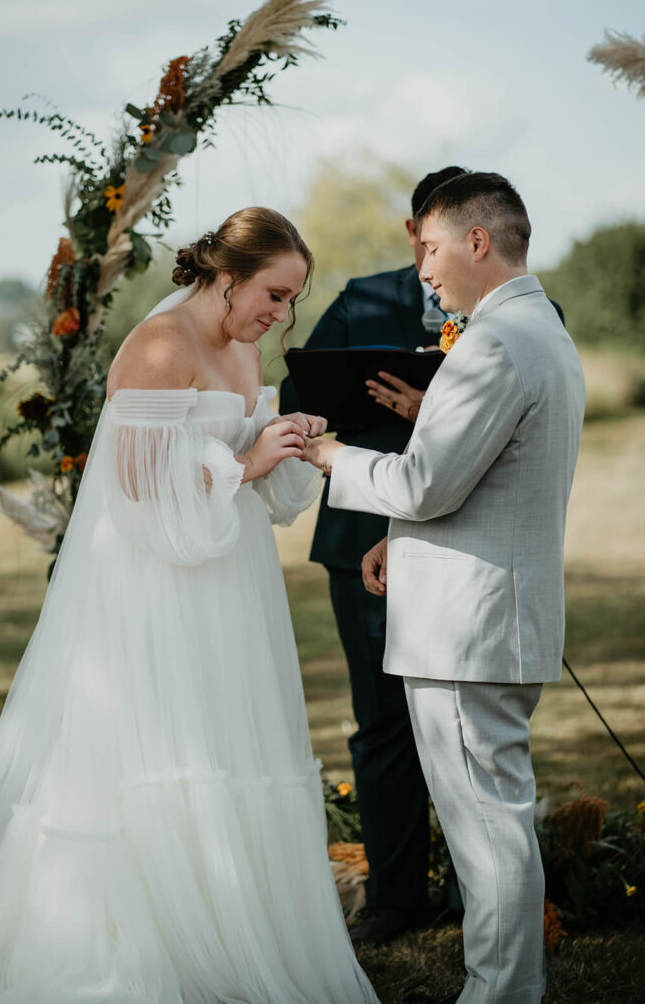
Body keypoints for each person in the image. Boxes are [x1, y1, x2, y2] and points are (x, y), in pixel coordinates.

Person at [0, 207, 379, 1004]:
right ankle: (138, 951)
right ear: (227, 278)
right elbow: (134, 489)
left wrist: (282, 436)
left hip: (230, 574)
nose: (280, 315)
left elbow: (238, 460)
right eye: (273, 294)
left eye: (291, 299)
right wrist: (247, 463)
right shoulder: (159, 346)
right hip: (158, 584)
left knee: (232, 738)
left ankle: (232, 931)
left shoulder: (242, 345)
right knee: (163, 744)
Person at [302, 173, 586, 1004]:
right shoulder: (537, 328)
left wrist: (331, 459)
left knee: (484, 830)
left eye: (427, 247)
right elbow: (479, 476)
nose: (420, 269)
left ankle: (497, 994)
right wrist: (401, 536)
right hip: (492, 610)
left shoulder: (491, 344)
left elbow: (427, 484)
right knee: (494, 818)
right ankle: (508, 987)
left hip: (465, 625)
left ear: (476, 241)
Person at [279, 166, 469, 945]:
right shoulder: (361, 300)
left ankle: (475, 894)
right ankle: (396, 897)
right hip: (361, 537)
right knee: (382, 720)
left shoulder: (525, 313)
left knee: (463, 717)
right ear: (413, 233)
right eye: (427, 236)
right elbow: (300, 400)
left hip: (463, 539)